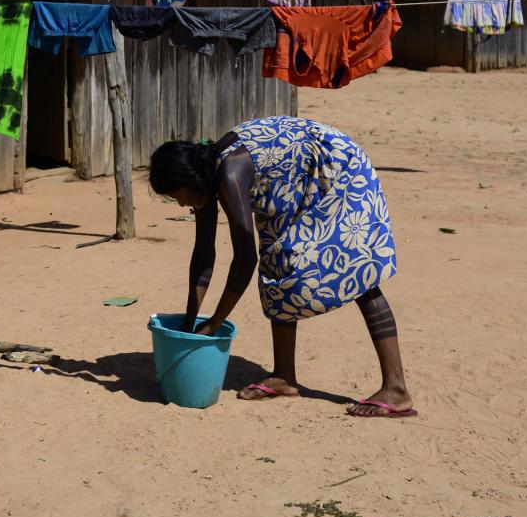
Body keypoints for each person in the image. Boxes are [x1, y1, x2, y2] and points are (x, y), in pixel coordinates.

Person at [148, 117, 416, 419]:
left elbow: (245, 259)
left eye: (178, 196)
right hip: (291, 181)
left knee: (356, 270)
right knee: (277, 264)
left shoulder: (229, 174)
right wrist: (189, 324)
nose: (180, 204)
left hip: (336, 169)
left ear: (189, 180)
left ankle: (396, 389)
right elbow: (203, 254)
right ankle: (284, 376)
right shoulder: (206, 177)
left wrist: (215, 323)